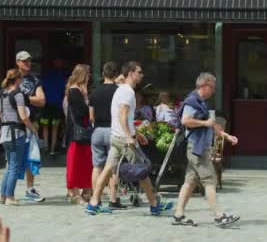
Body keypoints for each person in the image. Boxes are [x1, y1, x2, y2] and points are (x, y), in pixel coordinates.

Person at [86, 61, 173, 216]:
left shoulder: (121, 89)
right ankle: (154, 205)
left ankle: (93, 203)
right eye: (139, 72)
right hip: (123, 139)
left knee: (107, 170)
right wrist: (130, 137)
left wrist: (137, 134)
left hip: (116, 136)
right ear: (131, 73)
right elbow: (123, 115)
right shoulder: (128, 92)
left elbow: (126, 117)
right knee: (142, 169)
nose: (142, 75)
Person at [173, 73, 240, 228]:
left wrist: (226, 135)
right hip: (197, 148)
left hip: (197, 147)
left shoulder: (201, 102)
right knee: (210, 180)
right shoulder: (192, 101)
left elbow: (211, 124)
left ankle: (178, 215)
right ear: (204, 85)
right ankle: (219, 216)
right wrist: (204, 123)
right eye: (212, 87)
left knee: (190, 182)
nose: (214, 90)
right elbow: (186, 121)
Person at [0, 69, 36, 206]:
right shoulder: (17, 94)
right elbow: (24, 116)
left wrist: (7, 117)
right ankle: (10, 197)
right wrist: (32, 128)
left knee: (10, 166)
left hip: (4, 132)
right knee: (15, 167)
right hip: (16, 133)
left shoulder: (2, 93)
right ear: (18, 80)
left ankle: (3, 195)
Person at [88, 62, 126, 210]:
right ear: (116, 75)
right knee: (113, 167)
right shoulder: (119, 91)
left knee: (97, 166)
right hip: (113, 130)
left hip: (97, 131)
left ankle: (95, 198)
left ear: (103, 74)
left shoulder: (94, 92)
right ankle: (113, 199)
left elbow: (91, 116)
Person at [15, 51, 46, 202]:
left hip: (31, 122)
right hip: (15, 123)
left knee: (31, 156)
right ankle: (8, 191)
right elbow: (7, 99)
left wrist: (24, 97)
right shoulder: (12, 78)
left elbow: (42, 100)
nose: (27, 63)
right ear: (18, 62)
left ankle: (29, 188)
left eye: (29, 61)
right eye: (24, 61)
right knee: (14, 158)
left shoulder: (35, 80)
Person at [64, 64, 94, 204]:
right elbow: (82, 111)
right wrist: (87, 98)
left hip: (83, 133)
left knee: (86, 162)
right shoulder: (74, 91)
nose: (89, 77)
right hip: (77, 133)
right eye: (88, 74)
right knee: (75, 162)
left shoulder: (78, 91)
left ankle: (86, 191)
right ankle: (75, 193)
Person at [40, 57, 66, 156]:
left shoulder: (46, 75)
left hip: (46, 104)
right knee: (55, 128)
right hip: (57, 104)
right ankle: (52, 150)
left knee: (45, 127)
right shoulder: (62, 76)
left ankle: (46, 147)